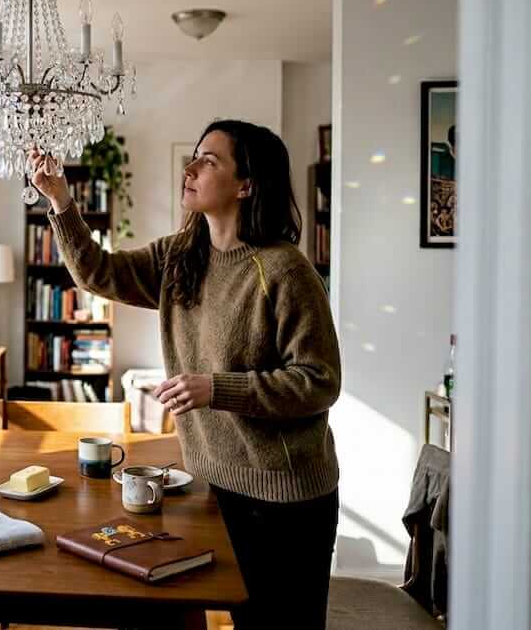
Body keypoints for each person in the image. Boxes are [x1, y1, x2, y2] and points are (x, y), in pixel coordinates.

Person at [29, 119, 342, 629]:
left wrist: (216, 388)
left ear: (246, 185)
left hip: (284, 502)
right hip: (209, 485)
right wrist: (62, 202)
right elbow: (98, 273)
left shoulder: (285, 271)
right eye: (193, 155)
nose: (190, 168)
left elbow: (318, 381)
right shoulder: (180, 255)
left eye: (209, 160)